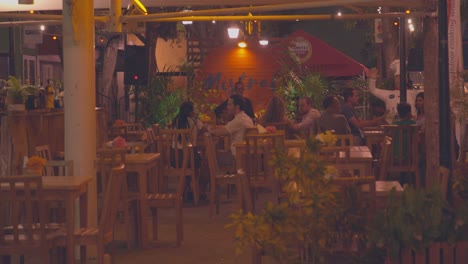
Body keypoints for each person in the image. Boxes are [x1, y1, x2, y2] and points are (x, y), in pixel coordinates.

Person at [209, 94, 254, 165]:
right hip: (245, 156)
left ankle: (213, 175)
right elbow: (227, 128)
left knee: (211, 159)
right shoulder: (245, 118)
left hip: (236, 158)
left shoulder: (239, 120)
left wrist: (208, 131)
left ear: (237, 107)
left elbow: (221, 132)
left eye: (229, 105)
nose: (227, 107)